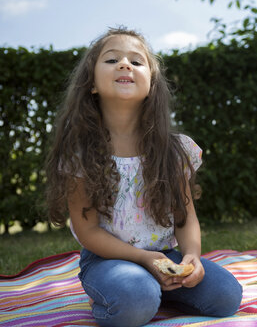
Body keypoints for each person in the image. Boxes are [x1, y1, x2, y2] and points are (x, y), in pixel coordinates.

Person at [45, 27, 242, 327]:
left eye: (137, 62)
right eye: (112, 60)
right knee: (136, 299)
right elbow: (88, 232)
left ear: (152, 83)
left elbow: (185, 217)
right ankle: (125, 294)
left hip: (166, 255)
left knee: (227, 295)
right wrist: (143, 259)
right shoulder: (79, 153)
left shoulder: (173, 150)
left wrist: (191, 257)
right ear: (92, 84)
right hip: (106, 260)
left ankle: (161, 288)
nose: (125, 64)